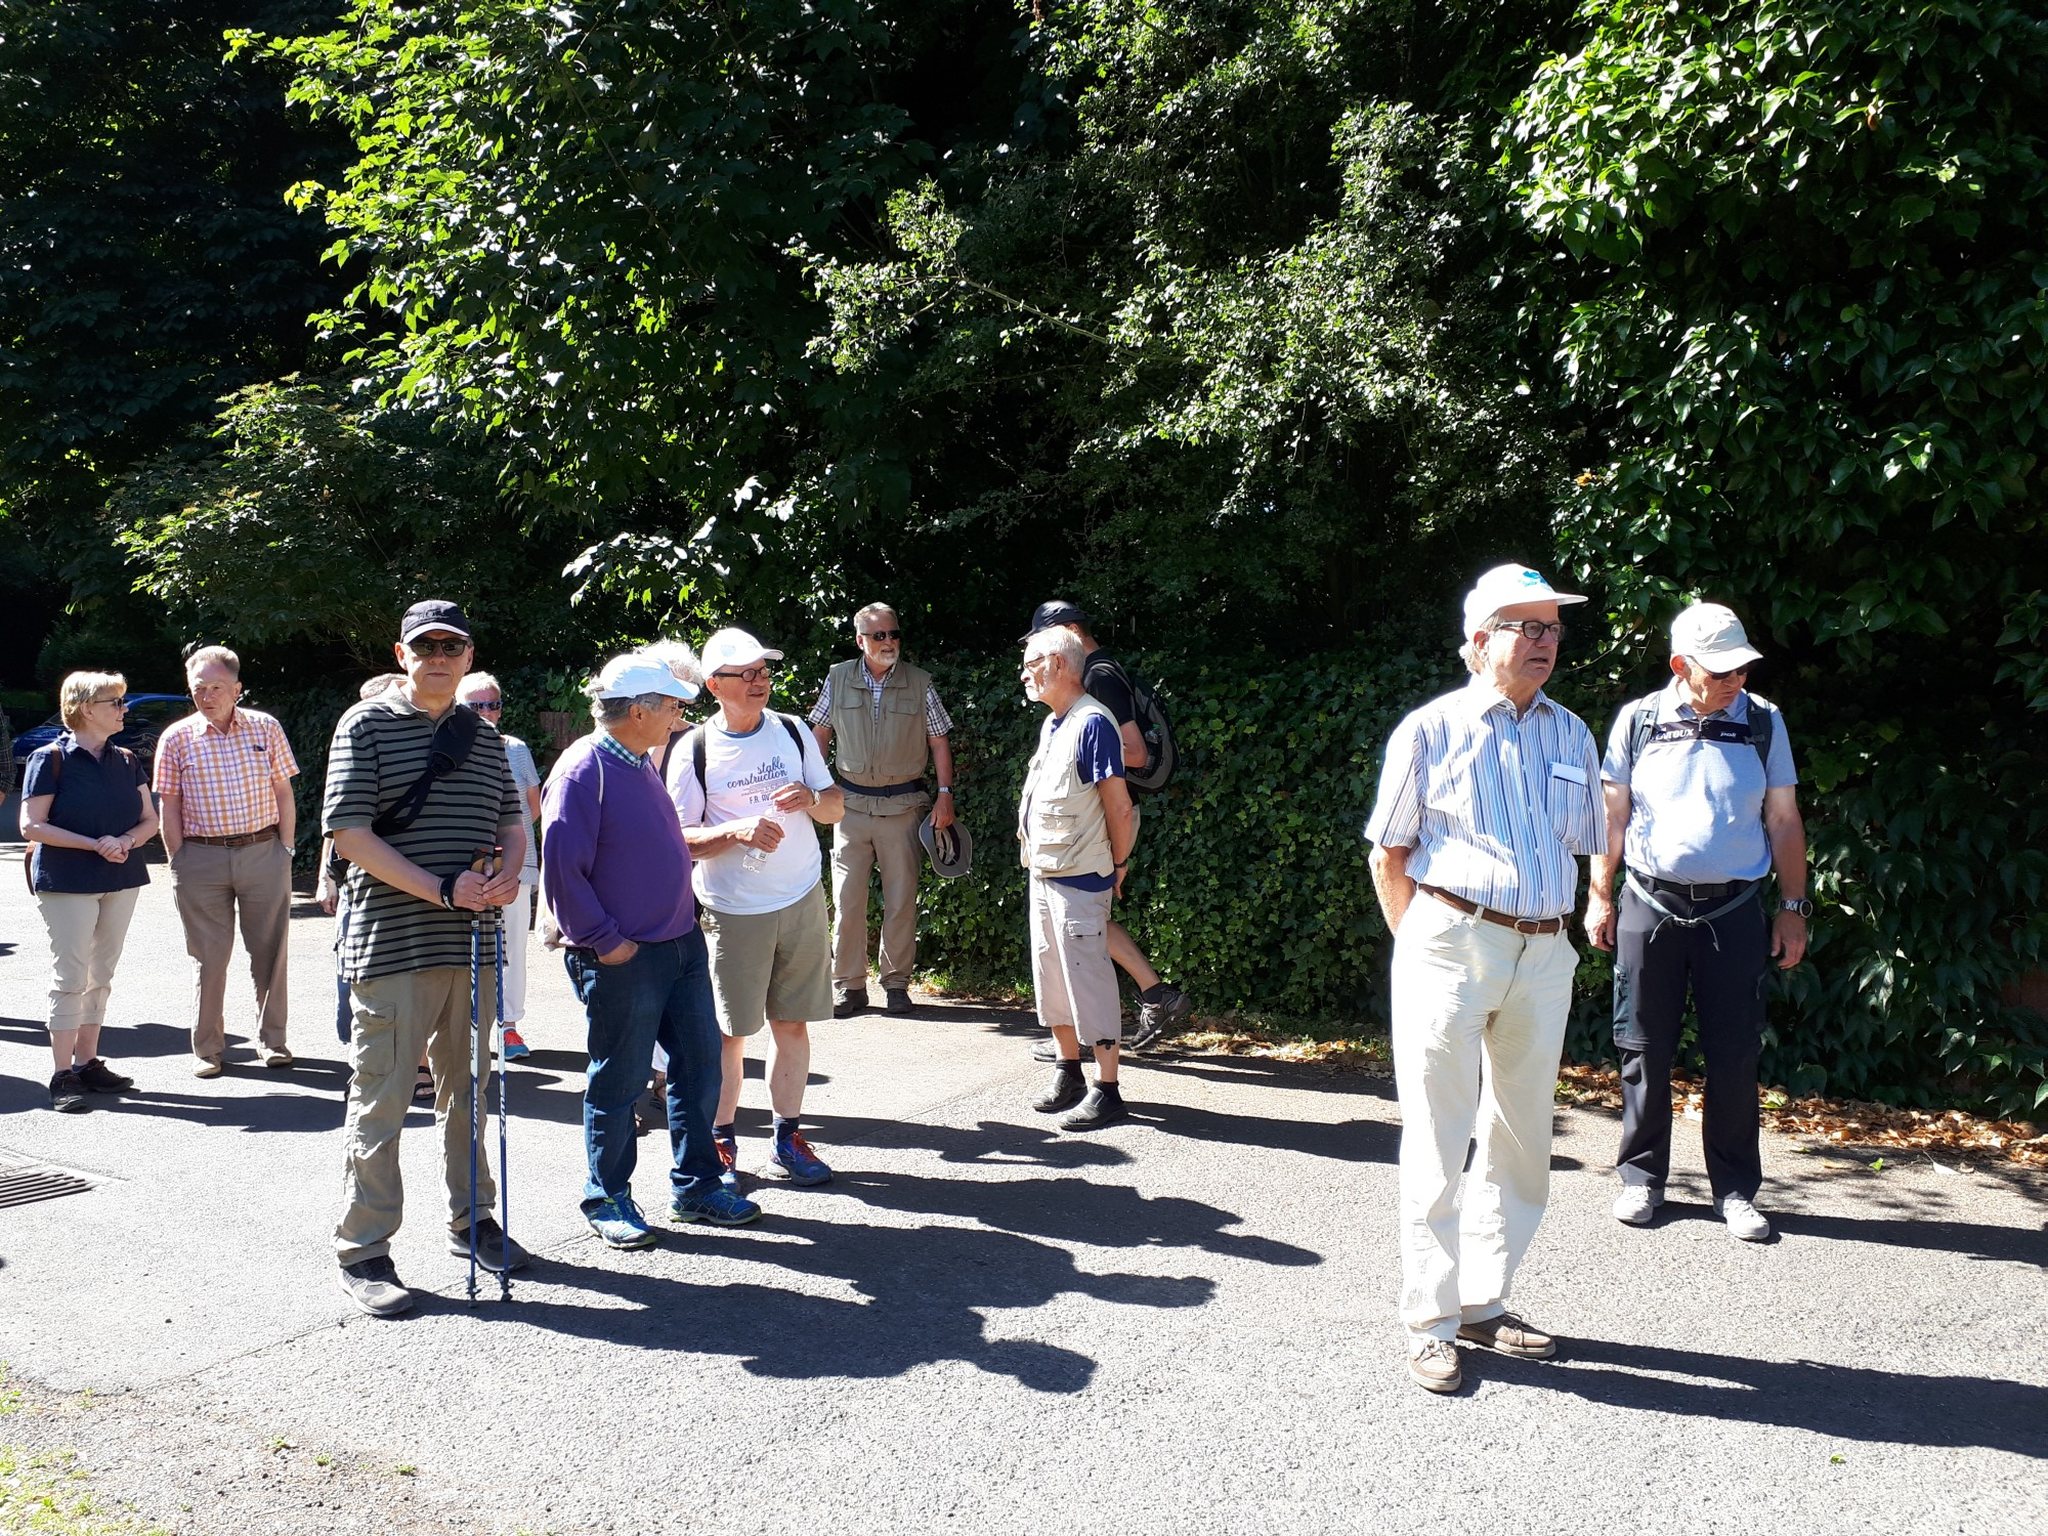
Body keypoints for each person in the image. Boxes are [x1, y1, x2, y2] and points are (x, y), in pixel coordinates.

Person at [1364, 563, 1604, 1394]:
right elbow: (1389, 853)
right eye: (1526, 627)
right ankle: (1430, 1322)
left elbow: (1581, 843)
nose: (1546, 641)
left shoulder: (1573, 733)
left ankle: (1482, 1302)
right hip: (1451, 939)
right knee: (1439, 1136)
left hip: (1544, 949)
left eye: (1552, 628)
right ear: (1479, 640)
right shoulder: (1430, 729)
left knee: (1523, 1138)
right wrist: (1421, 946)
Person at [323, 599, 529, 1317]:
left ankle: (474, 1220)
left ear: (468, 656)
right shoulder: (365, 724)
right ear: (402, 654)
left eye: (451, 646)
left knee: (469, 1091)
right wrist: (442, 888)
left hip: (472, 942)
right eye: (425, 646)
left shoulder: (484, 736)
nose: (438, 657)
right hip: (392, 944)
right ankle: (363, 1249)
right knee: (382, 1099)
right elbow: (349, 834)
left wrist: (508, 875)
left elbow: (512, 822)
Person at [1586, 602, 1810, 1243]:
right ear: (1681, 665)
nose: (1736, 679)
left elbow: (1784, 820)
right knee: (1642, 1048)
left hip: (1734, 909)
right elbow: (1612, 816)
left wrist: (1793, 908)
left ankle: (1735, 1191)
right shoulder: (1638, 720)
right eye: (1721, 671)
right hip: (1648, 903)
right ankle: (1641, 1179)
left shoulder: (1763, 721)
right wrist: (1600, 895)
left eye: (1742, 667)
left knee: (1735, 1053)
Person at [543, 654, 762, 1248]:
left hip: (677, 944)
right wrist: (606, 942)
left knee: (700, 1066)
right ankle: (607, 1196)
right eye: (669, 706)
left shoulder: (637, 761)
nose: (678, 717)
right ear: (638, 711)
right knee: (619, 1079)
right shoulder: (584, 770)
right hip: (624, 956)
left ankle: (697, 1186)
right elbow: (562, 873)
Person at [667, 627, 845, 1187]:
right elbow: (677, 840)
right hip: (733, 910)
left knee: (791, 1024)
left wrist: (812, 798)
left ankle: (788, 1139)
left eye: (763, 671)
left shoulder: (792, 730)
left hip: (801, 897)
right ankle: (721, 1144)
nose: (758, 680)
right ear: (714, 685)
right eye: (744, 673)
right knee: (730, 1034)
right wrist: (736, 831)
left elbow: (835, 807)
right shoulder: (694, 749)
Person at [1023, 601, 1188, 1052]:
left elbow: (1132, 750)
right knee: (1087, 919)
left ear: (1070, 634)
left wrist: (1089, 760)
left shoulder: (1098, 678)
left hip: (1099, 816)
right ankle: (1152, 996)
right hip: (1094, 816)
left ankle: (1100, 1032)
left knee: (1081, 921)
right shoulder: (1101, 672)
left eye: (1041, 646)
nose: (1033, 659)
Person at [153, 644, 300, 1076]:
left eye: (217, 687)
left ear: (237, 689)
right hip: (200, 857)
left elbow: (283, 792)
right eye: (199, 688)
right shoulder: (176, 737)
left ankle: (272, 1041)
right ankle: (207, 1048)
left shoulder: (265, 727)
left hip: (263, 851)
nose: (207, 696)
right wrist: (178, 860)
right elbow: (169, 805)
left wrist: (286, 849)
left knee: (270, 952)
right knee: (208, 957)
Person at [807, 601, 956, 1018]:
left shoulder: (919, 682)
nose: (889, 641)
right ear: (861, 641)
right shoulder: (838, 678)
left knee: (901, 900)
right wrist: (820, 786)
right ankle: (849, 986)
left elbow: (939, 740)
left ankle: (896, 984)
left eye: (894, 633)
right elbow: (819, 732)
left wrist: (945, 794)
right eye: (879, 635)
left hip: (903, 805)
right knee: (847, 900)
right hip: (850, 807)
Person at [19, 672, 158, 1112]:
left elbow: (150, 820)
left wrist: (126, 841)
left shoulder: (126, 759)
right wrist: (94, 844)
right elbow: (31, 825)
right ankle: (62, 1074)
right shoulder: (49, 759)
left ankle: (87, 1062)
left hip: (121, 877)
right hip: (67, 880)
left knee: (102, 974)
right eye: (114, 702)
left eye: (122, 701)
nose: (123, 709)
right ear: (84, 709)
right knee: (71, 976)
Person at [1017, 625, 1138, 1130]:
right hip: (1046, 871)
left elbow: (1120, 807)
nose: (1024, 674)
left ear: (1059, 664)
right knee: (1050, 974)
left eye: (1032, 663)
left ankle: (1107, 1089)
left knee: (1088, 978)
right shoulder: (1054, 724)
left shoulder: (1093, 723)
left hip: (1082, 875)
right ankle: (1068, 1070)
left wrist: (1118, 863)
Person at [457, 672, 541, 1061]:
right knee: (463, 950)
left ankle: (508, 1026)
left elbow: (533, 807)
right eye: (477, 706)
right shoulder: (448, 747)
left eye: (493, 705)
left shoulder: (517, 749)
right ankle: (467, 1026)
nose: (487, 712)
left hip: (515, 868)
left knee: (513, 949)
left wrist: (509, 849)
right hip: (463, 870)